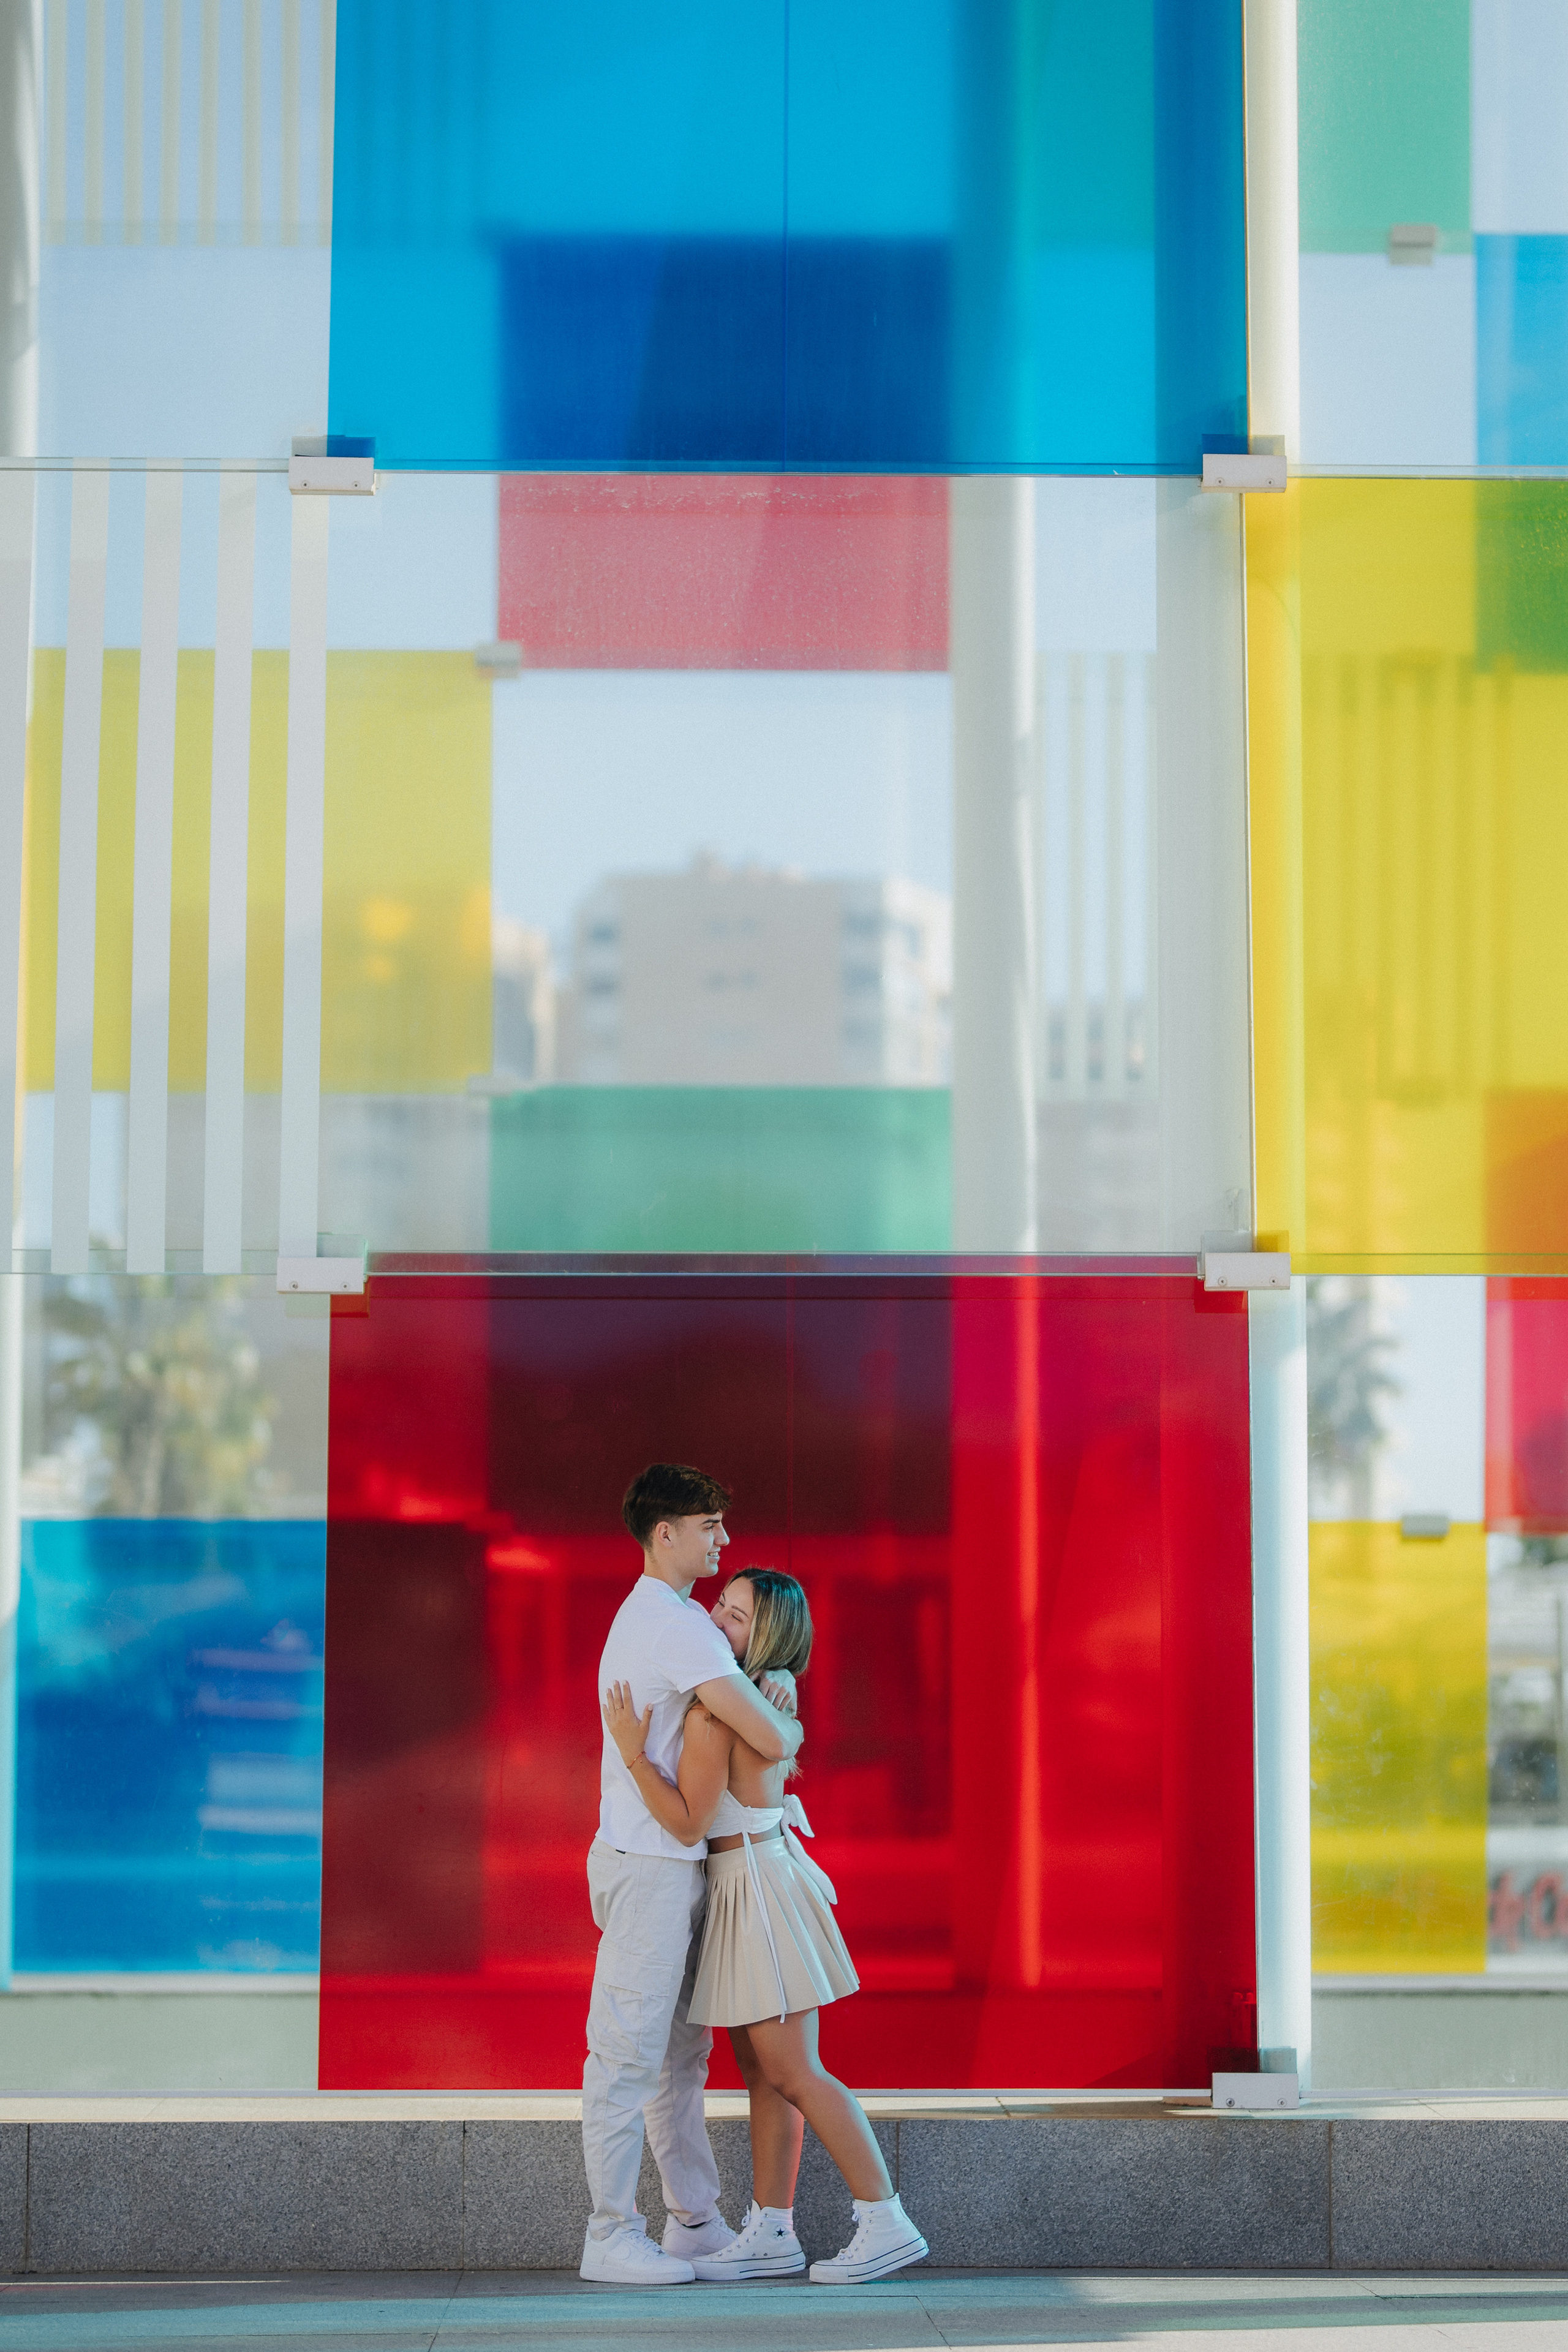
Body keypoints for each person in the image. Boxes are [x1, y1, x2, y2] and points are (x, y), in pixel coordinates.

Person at [603, 1566, 929, 2287]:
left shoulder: (718, 1714)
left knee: (794, 2071)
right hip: (749, 1883)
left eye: (737, 1617)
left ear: (769, 1638)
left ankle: (885, 2221)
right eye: (720, 1604)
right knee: (764, 2073)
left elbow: (688, 1821)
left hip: (755, 1888)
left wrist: (629, 1751)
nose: (715, 1619)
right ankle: (772, 2230)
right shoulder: (756, 1698)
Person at [580, 1465, 805, 2288]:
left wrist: (773, 1686)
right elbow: (772, 1740)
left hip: (661, 1861)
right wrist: (779, 1704)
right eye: (710, 1526)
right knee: (627, 2057)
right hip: (652, 1862)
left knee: (676, 2059)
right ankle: (610, 2234)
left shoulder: (662, 1617)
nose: (724, 1540)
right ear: (664, 1533)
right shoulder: (679, 1629)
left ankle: (695, 2223)